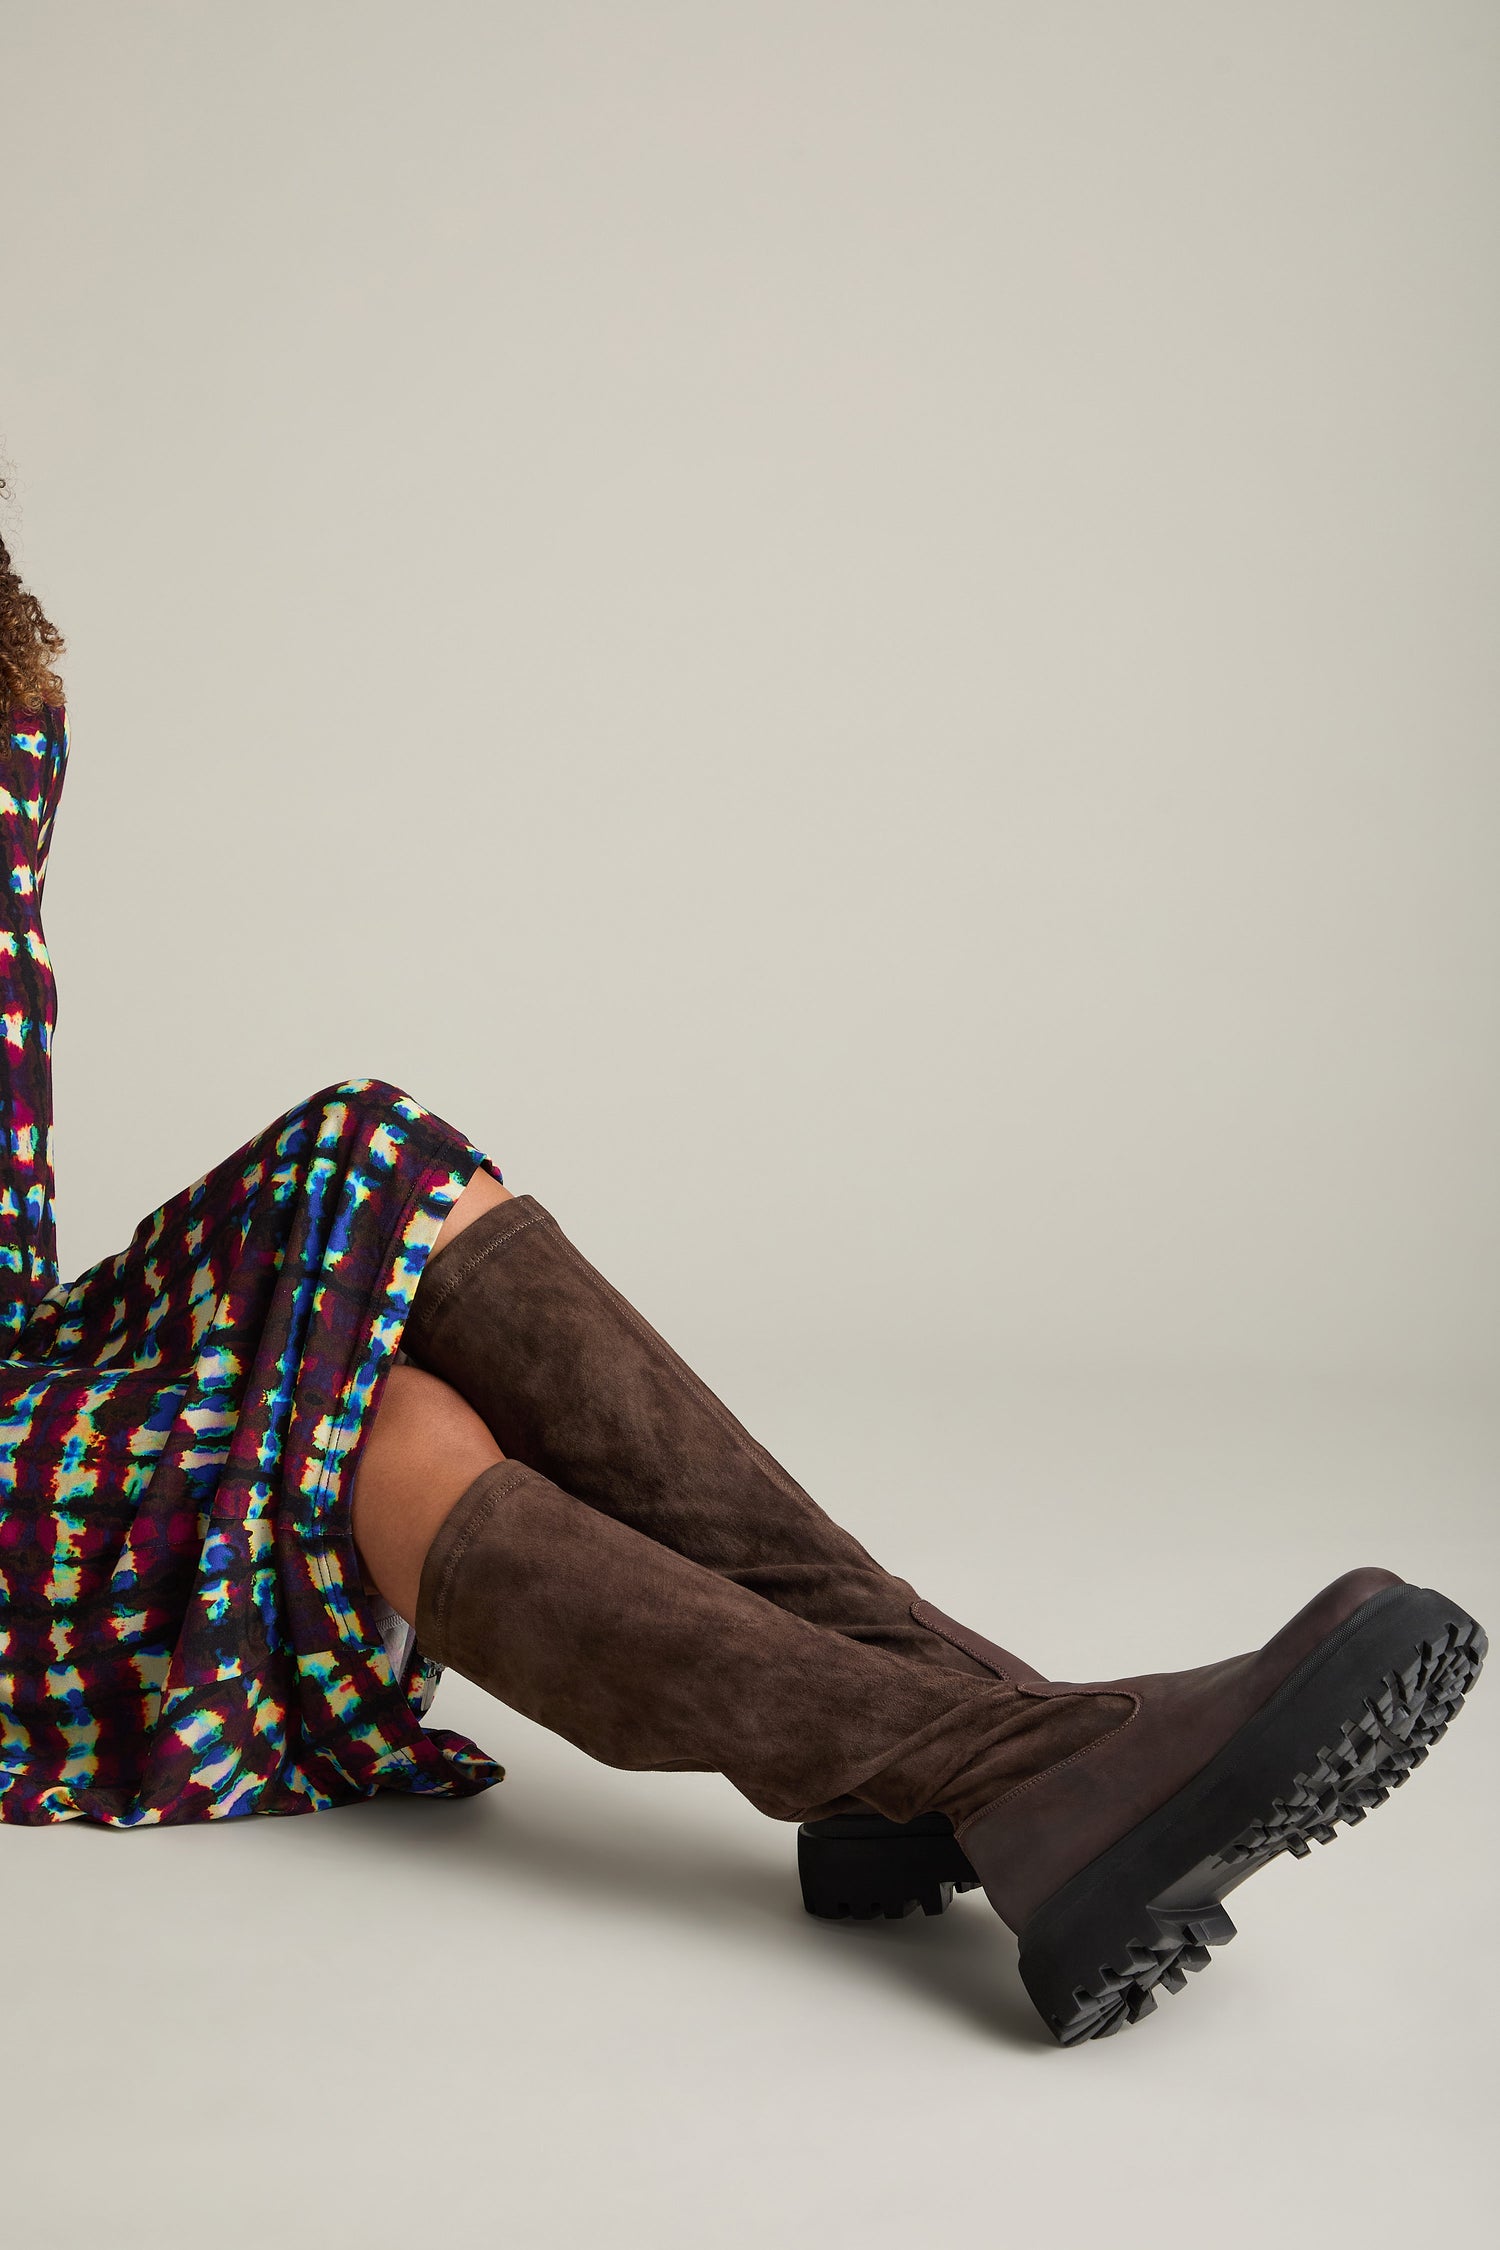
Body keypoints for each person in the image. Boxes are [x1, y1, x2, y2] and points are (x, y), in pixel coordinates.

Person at [0, 497, 1485, 2047]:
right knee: (383, 1434)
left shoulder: (14, 709)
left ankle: (1003, 1756)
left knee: (364, 1152)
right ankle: (1030, 1766)